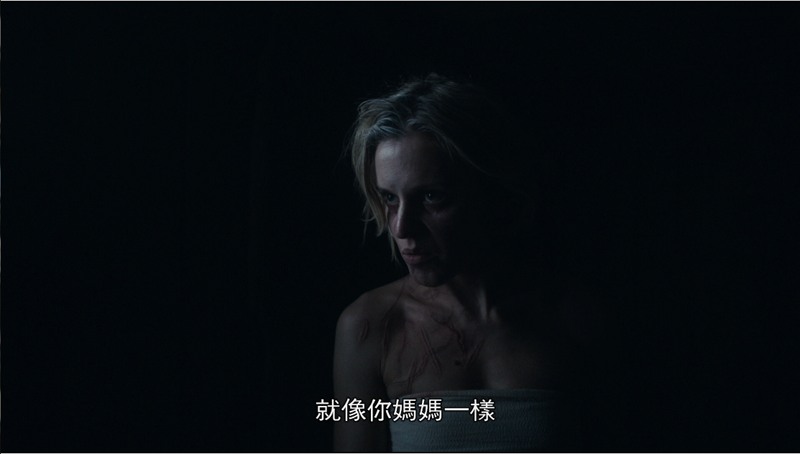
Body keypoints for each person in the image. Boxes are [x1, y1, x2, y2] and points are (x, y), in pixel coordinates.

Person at [334, 74, 583, 452]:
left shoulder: (574, 319)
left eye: (431, 197)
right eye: (389, 198)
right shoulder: (369, 327)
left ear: (490, 189)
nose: (401, 228)